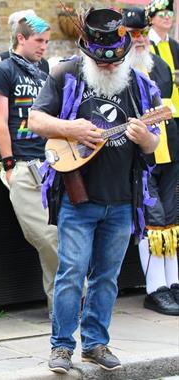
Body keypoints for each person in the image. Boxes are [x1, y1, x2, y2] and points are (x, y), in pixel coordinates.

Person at [28, 8, 161, 373]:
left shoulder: (140, 84)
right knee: (71, 271)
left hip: (121, 199)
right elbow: (35, 119)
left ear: (123, 53)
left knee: (106, 277)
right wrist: (72, 130)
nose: (106, 67)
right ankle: (61, 346)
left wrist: (145, 136)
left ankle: (96, 344)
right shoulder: (65, 74)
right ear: (87, 53)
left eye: (113, 61)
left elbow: (153, 146)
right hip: (77, 196)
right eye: (99, 61)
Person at [0, 15, 58, 316]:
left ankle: (61, 307)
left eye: (46, 42)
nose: (44, 47)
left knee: (58, 235)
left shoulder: (44, 70)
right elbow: (0, 123)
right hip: (23, 165)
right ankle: (72, 297)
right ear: (21, 39)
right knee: (44, 236)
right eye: (39, 41)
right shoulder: (2, 71)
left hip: (51, 162)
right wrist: (10, 166)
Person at [123, 7, 179, 315]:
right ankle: (155, 288)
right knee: (152, 219)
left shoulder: (157, 63)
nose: (140, 39)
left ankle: (173, 283)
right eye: (133, 34)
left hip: (169, 149)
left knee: (171, 217)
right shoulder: (118, 67)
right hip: (138, 158)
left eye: (143, 33)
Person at [0, 9, 50, 151]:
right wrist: (14, 115)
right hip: (7, 141)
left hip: (37, 146)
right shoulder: (0, 61)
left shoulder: (44, 65)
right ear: (19, 35)